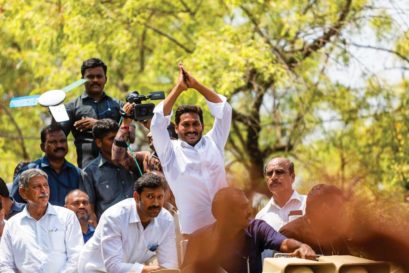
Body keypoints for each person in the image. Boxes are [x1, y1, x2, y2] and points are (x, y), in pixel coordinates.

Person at [150, 64, 232, 235]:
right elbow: (157, 124)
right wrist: (179, 88)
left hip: (227, 228)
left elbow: (224, 109)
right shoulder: (169, 152)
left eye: (195, 124)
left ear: (202, 125)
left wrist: (196, 85)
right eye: (185, 125)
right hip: (195, 234)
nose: (191, 129)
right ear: (177, 128)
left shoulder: (214, 141)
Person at [181, 187, 316, 273]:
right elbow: (186, 270)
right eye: (242, 207)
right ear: (224, 215)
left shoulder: (257, 228)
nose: (249, 211)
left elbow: (284, 243)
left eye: (248, 205)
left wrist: (301, 246)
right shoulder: (199, 238)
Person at [279, 184, 409, 270]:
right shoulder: (289, 234)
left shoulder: (336, 235)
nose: (343, 212)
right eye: (339, 207)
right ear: (323, 209)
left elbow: (349, 264)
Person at [78, 173, 178, 273]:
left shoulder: (166, 220)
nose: (156, 203)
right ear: (136, 197)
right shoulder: (114, 217)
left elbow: (168, 264)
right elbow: (113, 267)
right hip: (96, 269)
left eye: (160, 197)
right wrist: (148, 270)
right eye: (150, 196)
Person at [0, 169, 83, 273]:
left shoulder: (66, 217)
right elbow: (5, 264)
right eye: (36, 187)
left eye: (46, 185)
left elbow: (76, 256)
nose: (44, 190)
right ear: (23, 192)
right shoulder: (13, 225)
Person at [60, 58, 123, 168]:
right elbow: (57, 136)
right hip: (87, 171)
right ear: (82, 80)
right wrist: (54, 109)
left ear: (105, 79)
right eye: (90, 77)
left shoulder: (118, 106)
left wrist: (97, 124)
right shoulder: (72, 107)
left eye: (99, 76)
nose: (95, 80)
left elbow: (129, 136)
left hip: (118, 168)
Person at [81, 118, 141, 219]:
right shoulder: (89, 172)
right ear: (99, 142)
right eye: (111, 139)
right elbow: (90, 211)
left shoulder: (135, 162)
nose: (118, 141)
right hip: (110, 230)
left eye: (120, 136)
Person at [11, 124, 82, 206]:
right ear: (42, 147)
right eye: (53, 142)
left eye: (62, 141)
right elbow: (13, 206)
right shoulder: (28, 172)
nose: (59, 145)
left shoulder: (77, 173)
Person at [256, 157, 307, 231]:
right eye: (269, 173)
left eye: (279, 172)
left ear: (292, 177)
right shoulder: (261, 217)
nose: (273, 177)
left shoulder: (308, 204)